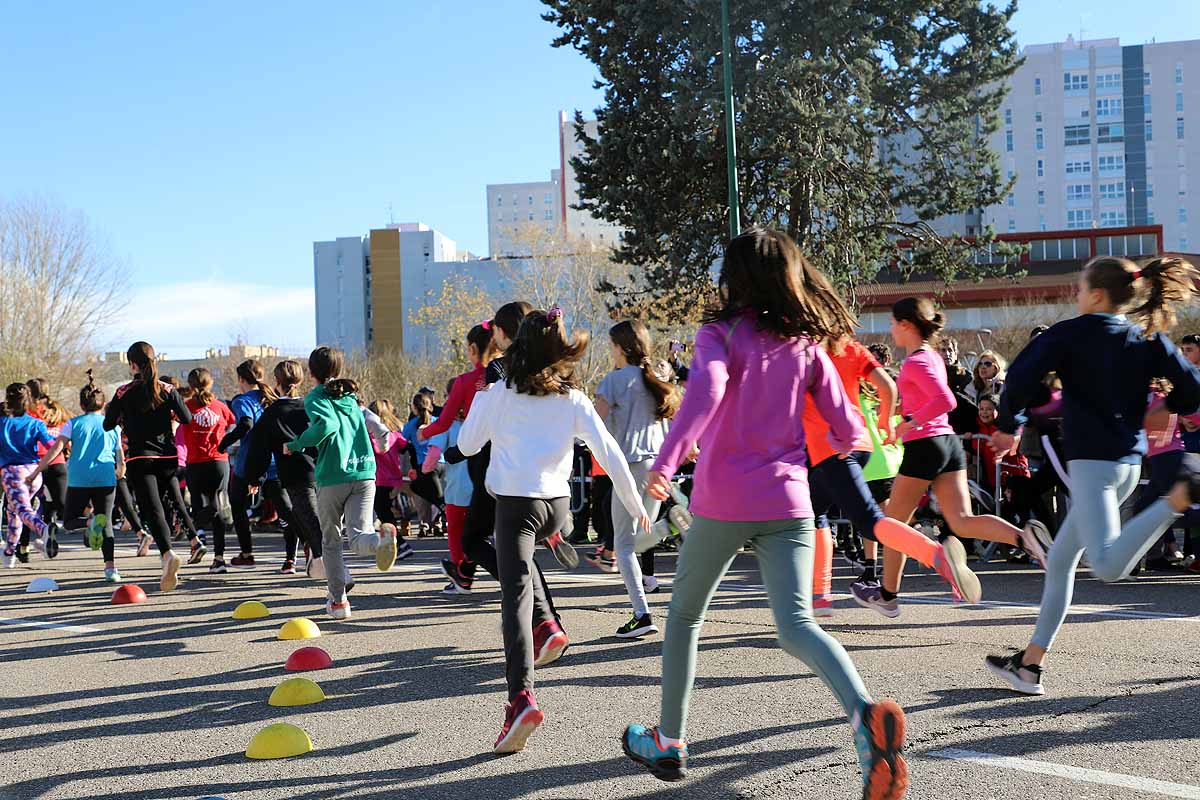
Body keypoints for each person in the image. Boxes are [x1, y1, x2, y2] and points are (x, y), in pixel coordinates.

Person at [621, 229, 908, 800]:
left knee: (682, 618)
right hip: (791, 501)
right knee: (798, 625)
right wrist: (851, 437)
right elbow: (847, 422)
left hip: (725, 501)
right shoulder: (805, 344)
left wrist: (669, 458)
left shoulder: (718, 333)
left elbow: (705, 392)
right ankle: (863, 715)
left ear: (735, 278)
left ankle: (671, 740)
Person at [986, 255, 1200, 696]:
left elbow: (1022, 376)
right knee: (1061, 562)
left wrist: (1009, 425)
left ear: (1096, 294)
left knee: (1105, 566)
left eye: (1080, 288)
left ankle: (1173, 501)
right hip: (1124, 465)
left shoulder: (1070, 332)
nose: (1076, 295)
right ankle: (1029, 665)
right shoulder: (1148, 337)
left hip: (1093, 467)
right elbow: (1191, 387)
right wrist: (1171, 408)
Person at [458, 305, 650, 754]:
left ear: (518, 347)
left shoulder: (500, 393)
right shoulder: (573, 399)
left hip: (517, 507)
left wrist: (485, 394)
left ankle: (520, 700)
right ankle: (550, 614)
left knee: (514, 600)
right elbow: (608, 451)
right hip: (557, 506)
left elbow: (467, 445)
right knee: (526, 574)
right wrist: (634, 502)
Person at [853, 298, 1047, 619]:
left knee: (891, 526)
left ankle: (887, 595)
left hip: (925, 445)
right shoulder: (931, 357)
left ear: (907, 325)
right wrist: (903, 413)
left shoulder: (916, 361)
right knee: (962, 522)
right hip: (947, 444)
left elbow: (945, 400)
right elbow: (928, 398)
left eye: (891, 323)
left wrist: (909, 424)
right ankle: (1026, 539)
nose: (889, 329)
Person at [806, 333, 978, 619]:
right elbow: (886, 385)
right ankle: (820, 597)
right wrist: (885, 420)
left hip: (832, 446)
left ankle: (936, 556)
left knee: (870, 521)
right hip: (859, 443)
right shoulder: (850, 346)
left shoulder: (806, 350)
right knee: (814, 510)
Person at [284, 346, 397, 620]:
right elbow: (381, 428)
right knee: (359, 536)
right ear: (339, 369)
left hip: (334, 475)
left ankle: (338, 603)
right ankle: (381, 539)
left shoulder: (316, 397)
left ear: (311, 372)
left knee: (331, 540)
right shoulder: (351, 397)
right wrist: (381, 444)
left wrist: (297, 444)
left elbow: (325, 427)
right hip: (364, 473)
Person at [594, 319, 680, 638]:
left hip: (629, 467)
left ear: (620, 347)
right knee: (644, 535)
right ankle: (670, 524)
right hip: (658, 467)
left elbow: (592, 422)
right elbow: (670, 426)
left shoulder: (614, 380)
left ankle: (642, 614)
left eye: (612, 345)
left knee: (624, 544)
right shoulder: (655, 379)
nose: (610, 351)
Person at [104, 341, 192, 592]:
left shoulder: (123, 392)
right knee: (168, 504)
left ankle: (167, 555)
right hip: (167, 457)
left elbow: (107, 425)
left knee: (152, 510)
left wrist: (124, 416)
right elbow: (186, 418)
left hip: (140, 458)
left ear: (132, 364)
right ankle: (178, 549)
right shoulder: (167, 389)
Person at [27, 371, 124, 580]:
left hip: (80, 477)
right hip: (105, 476)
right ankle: (110, 568)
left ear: (82, 405)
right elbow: (119, 454)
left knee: (70, 521)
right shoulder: (112, 425)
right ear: (103, 403)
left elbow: (56, 449)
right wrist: (121, 469)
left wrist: (37, 470)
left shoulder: (73, 423)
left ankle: (88, 524)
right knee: (106, 522)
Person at [418, 323, 493, 585]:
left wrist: (423, 433)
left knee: (466, 532)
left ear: (472, 349)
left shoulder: (467, 382)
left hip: (477, 459)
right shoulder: (512, 378)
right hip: (509, 454)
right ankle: (552, 528)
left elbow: (442, 422)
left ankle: (464, 572)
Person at [244, 360, 325, 579]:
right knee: (313, 518)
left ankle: (329, 568)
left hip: (294, 474)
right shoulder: (311, 405)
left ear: (277, 381)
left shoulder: (273, 413)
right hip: (323, 470)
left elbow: (258, 449)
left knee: (311, 520)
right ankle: (321, 562)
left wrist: (255, 479)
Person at [217, 360, 278, 569]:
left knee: (238, 504)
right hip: (274, 461)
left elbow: (246, 423)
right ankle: (306, 551)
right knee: (286, 509)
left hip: (249, 462)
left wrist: (225, 442)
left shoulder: (242, 401)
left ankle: (247, 553)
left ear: (241, 380)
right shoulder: (271, 397)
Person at [423, 377, 475, 594]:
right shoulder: (478, 419)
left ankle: (460, 577)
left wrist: (425, 468)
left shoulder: (446, 422)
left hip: (457, 489)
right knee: (482, 532)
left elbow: (434, 455)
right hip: (484, 486)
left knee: (455, 532)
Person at [2, 383, 61, 567]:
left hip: (13, 474)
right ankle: (10, 552)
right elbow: (53, 446)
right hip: (33, 473)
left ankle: (43, 530)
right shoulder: (36, 423)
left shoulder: (2, 423)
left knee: (22, 510)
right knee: (14, 513)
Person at [366, 398, 416, 561]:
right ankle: (397, 544)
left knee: (383, 513)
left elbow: (375, 449)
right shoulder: (394, 434)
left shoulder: (372, 435)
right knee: (385, 512)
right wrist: (413, 466)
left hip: (380, 479)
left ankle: (401, 545)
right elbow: (408, 447)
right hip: (393, 479)